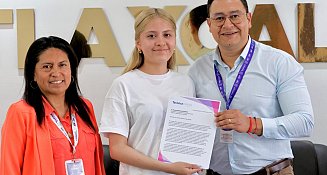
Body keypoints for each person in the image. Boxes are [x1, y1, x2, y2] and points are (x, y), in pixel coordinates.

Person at [188, 0, 314, 175]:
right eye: (219, 18)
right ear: (209, 24)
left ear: (248, 19)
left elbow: (304, 122)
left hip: (272, 172)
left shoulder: (279, 62)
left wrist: (253, 124)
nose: (227, 24)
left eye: (234, 16)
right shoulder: (197, 70)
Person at [99, 8, 202, 175]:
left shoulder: (186, 83)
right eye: (151, 36)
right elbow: (117, 149)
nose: (161, 42)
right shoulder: (123, 85)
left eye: (167, 35)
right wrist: (168, 168)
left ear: (175, 41)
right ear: (138, 43)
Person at [0, 36, 105, 175]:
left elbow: (98, 164)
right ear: (34, 74)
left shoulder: (85, 107)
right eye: (47, 67)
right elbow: (9, 169)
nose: (56, 73)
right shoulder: (21, 112)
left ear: (71, 70)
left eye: (62, 65)